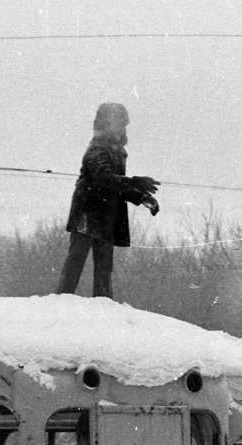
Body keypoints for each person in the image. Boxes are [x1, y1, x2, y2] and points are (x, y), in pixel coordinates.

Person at [57, 102, 161, 299]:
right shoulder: (96, 149)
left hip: (106, 216)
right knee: (76, 261)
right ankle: (61, 301)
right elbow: (104, 179)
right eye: (116, 123)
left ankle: (104, 306)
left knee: (104, 267)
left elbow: (116, 187)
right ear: (104, 124)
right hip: (87, 214)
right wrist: (134, 182)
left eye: (123, 125)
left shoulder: (117, 151)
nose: (121, 128)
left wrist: (141, 196)